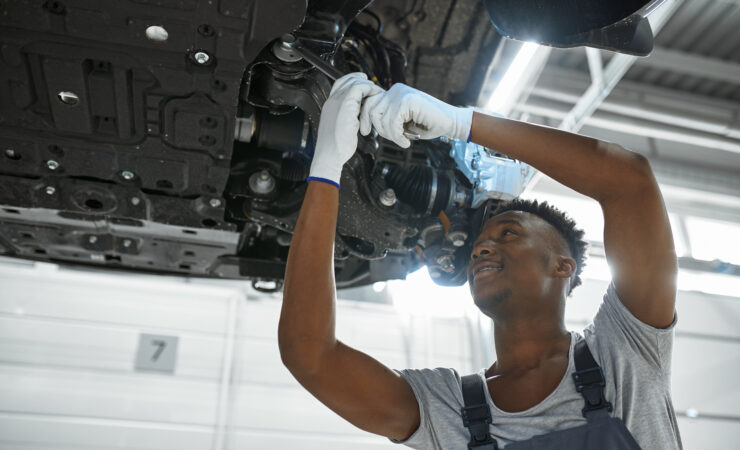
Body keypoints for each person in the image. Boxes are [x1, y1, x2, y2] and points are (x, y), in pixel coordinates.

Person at [278, 73, 682, 449]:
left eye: (509, 234)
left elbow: (631, 183)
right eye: (480, 245)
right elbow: (312, 354)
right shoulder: (451, 409)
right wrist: (326, 169)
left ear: (563, 266)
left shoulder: (625, 353)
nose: (481, 248)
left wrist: (461, 123)